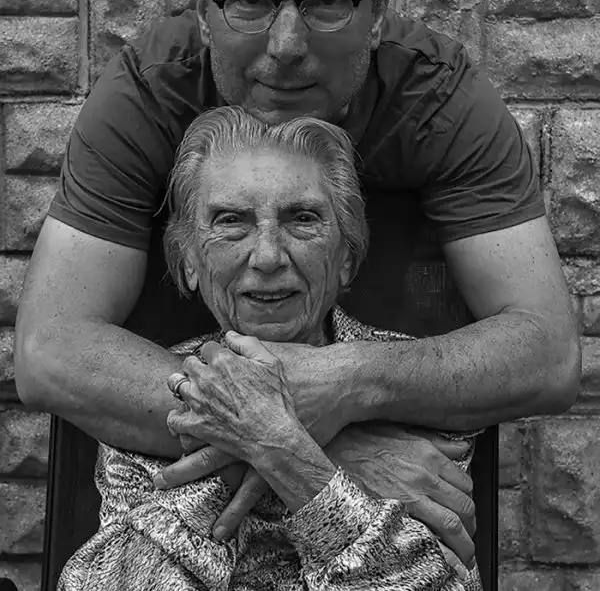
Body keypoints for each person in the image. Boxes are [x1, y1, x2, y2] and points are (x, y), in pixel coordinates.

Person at [15, 0, 580, 568]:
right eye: (249, 0)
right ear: (203, 10)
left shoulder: (439, 96)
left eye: (328, 1)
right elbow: (51, 350)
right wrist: (301, 447)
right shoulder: (149, 90)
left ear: (377, 11)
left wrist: (349, 381)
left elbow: (547, 355)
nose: (285, 45)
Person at [58, 106, 480, 591]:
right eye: (230, 221)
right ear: (189, 260)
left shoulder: (412, 389)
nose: (267, 256)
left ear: (347, 256)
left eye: (302, 219)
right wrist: (261, 438)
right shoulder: (156, 390)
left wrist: (287, 456)